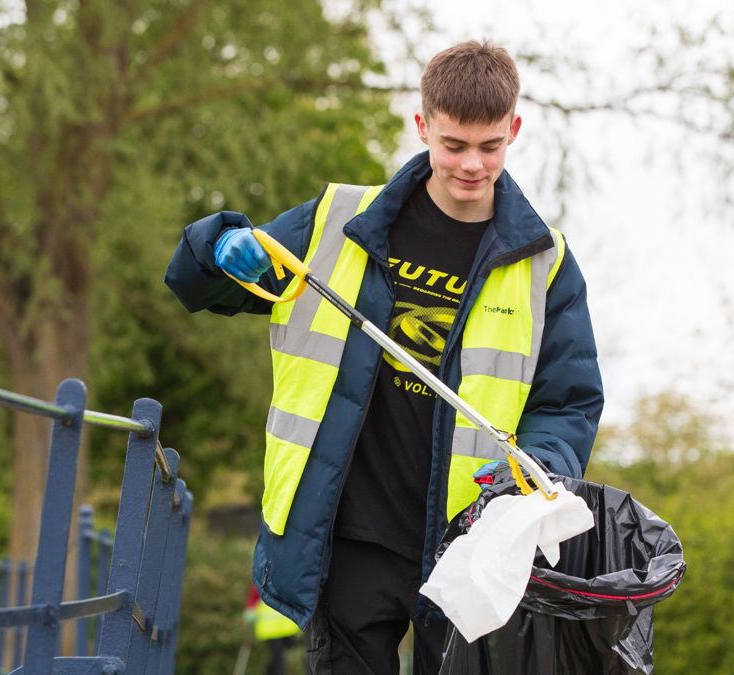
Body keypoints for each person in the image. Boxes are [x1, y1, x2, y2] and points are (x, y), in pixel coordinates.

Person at [165, 40, 603, 674]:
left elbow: (569, 403)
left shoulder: (547, 263)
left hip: (470, 549)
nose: (471, 165)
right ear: (423, 126)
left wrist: (535, 473)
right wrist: (219, 245)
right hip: (349, 537)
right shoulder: (337, 220)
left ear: (514, 129)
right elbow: (197, 285)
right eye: (453, 145)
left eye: (489, 146)